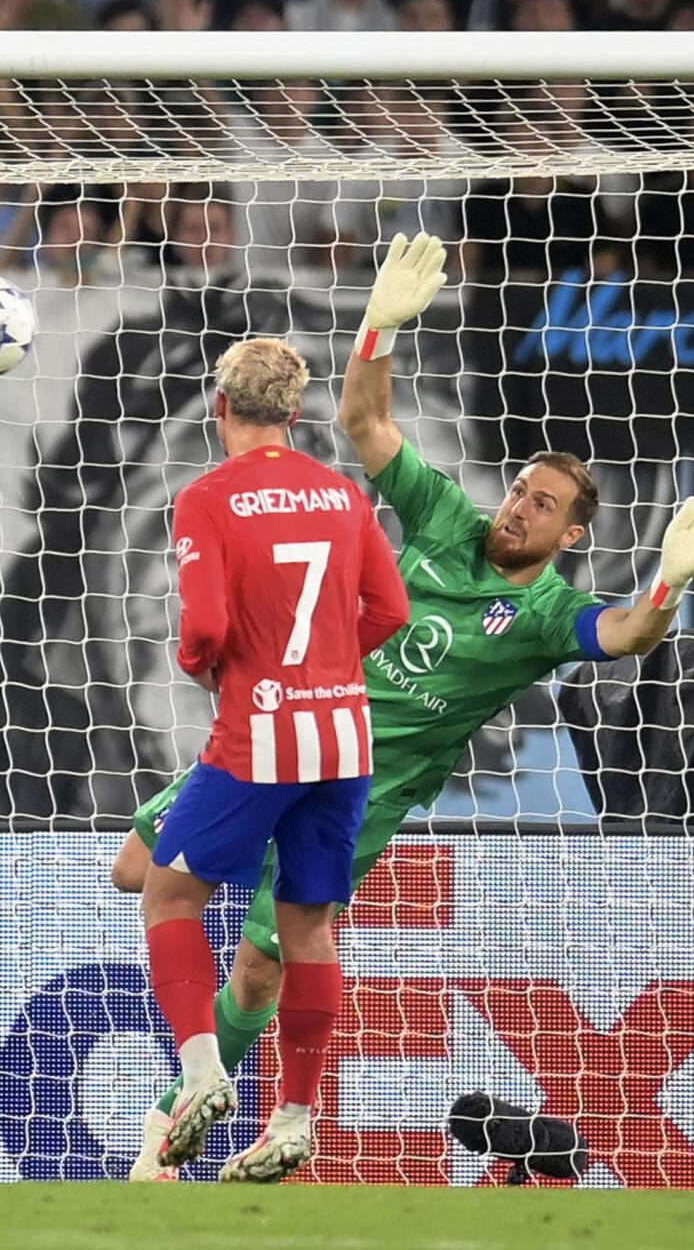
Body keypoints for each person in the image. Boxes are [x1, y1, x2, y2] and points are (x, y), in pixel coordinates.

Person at [119, 234, 694, 1181]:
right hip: (281, 724)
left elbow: (622, 635)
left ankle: (178, 1130)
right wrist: (377, 329)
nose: (517, 511)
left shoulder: (543, 614)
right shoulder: (447, 516)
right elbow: (368, 426)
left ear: (572, 534)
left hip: (361, 781)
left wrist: (667, 585)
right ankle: (235, 1098)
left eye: (542, 507)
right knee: (135, 869)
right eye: (520, 492)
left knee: (261, 962)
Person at [141, 335, 411, 1184]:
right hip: (344, 736)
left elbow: (207, 631)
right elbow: (391, 608)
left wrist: (203, 666)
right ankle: (294, 1116)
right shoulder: (341, 494)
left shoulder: (207, 498)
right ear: (294, 415)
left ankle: (200, 1075)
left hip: (259, 732)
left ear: (220, 407)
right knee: (308, 928)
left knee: (168, 895)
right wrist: (329, 660)